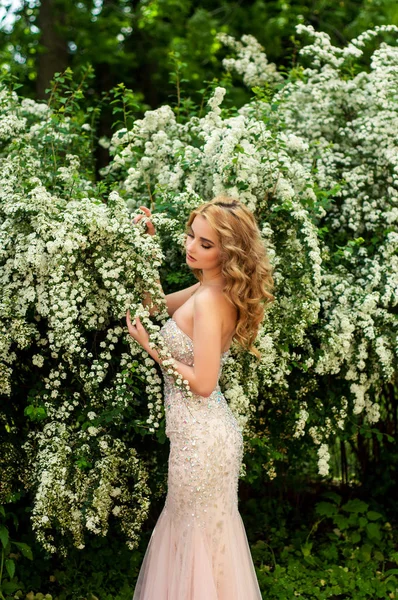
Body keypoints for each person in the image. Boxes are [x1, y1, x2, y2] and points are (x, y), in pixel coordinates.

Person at [126, 196, 274, 599]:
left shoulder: (211, 300)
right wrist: (146, 250)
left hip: (202, 441)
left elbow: (205, 382)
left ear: (229, 251)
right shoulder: (209, 287)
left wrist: (152, 347)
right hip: (201, 434)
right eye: (192, 236)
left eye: (206, 244)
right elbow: (155, 304)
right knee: (199, 539)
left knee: (195, 538)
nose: (192, 247)